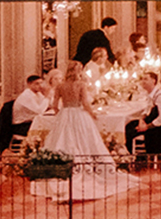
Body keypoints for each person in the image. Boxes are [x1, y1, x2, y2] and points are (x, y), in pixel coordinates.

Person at [34, 61, 138, 201]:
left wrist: (59, 113)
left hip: (65, 114)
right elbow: (85, 103)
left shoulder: (60, 86)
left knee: (63, 140)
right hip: (79, 114)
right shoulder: (80, 85)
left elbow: (54, 104)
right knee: (86, 141)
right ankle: (87, 167)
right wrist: (93, 114)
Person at [125, 71, 161, 156]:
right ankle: (131, 155)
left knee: (130, 130)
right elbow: (147, 109)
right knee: (129, 125)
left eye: (146, 79)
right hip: (152, 121)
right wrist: (142, 120)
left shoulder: (160, 96)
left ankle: (132, 157)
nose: (143, 81)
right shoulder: (151, 93)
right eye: (142, 79)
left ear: (153, 81)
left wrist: (146, 127)